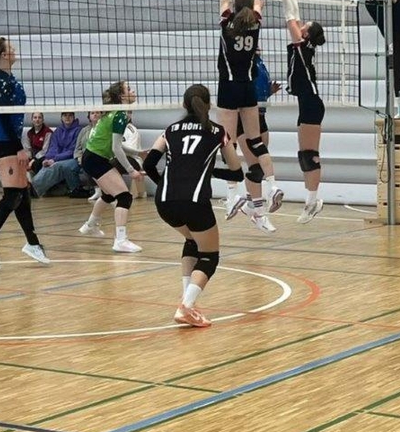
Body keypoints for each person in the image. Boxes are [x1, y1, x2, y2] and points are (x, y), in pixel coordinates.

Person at [142, 84, 243, 328]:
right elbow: (237, 173)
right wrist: (208, 171)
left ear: (184, 105)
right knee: (209, 256)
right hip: (195, 201)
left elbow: (148, 164)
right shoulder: (218, 131)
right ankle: (186, 307)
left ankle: (188, 301)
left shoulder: (170, 130)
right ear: (209, 105)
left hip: (164, 201)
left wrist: (163, 184)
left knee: (192, 241)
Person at [216, 0, 282, 232]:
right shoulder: (255, 22)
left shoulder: (226, 21)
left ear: (233, 5)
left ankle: (232, 196)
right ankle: (272, 185)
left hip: (228, 88)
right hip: (248, 88)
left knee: (227, 142)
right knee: (255, 141)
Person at [0, 37, 50, 271]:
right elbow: (4, 116)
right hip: (3, 141)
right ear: (3, 55)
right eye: (11, 49)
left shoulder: (4, 77)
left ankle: (32, 243)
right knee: (13, 195)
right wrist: (18, 147)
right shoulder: (0, 79)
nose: (15, 51)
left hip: (6, 139)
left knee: (21, 192)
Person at [275, 0, 326, 223]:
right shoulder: (303, 45)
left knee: (309, 155)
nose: (301, 24)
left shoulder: (302, 46)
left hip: (312, 105)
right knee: (303, 155)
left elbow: (289, 16)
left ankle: (313, 202)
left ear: (307, 34)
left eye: (306, 25)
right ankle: (311, 201)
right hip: (308, 104)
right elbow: (294, 15)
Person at [77, 81, 143, 253]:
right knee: (124, 197)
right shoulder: (120, 115)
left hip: (92, 157)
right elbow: (116, 148)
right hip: (96, 159)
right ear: (122, 96)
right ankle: (120, 240)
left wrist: (138, 153)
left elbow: (117, 144)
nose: (133, 91)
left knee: (108, 194)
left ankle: (90, 225)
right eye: (129, 89)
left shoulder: (113, 112)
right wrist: (131, 170)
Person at [225, 49, 283, 232]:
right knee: (255, 167)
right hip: (245, 119)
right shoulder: (241, 65)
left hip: (260, 116)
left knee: (258, 167)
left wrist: (269, 92)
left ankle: (250, 205)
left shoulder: (259, 63)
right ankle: (258, 213)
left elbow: (257, 91)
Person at [30, 112, 82, 197]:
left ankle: (33, 190)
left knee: (56, 166)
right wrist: (48, 159)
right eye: (65, 115)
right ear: (61, 118)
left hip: (71, 158)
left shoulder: (79, 130)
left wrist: (55, 159)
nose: (67, 117)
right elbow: (53, 147)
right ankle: (33, 188)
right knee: (46, 165)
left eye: (70, 115)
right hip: (57, 158)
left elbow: (72, 150)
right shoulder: (58, 131)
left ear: (74, 117)